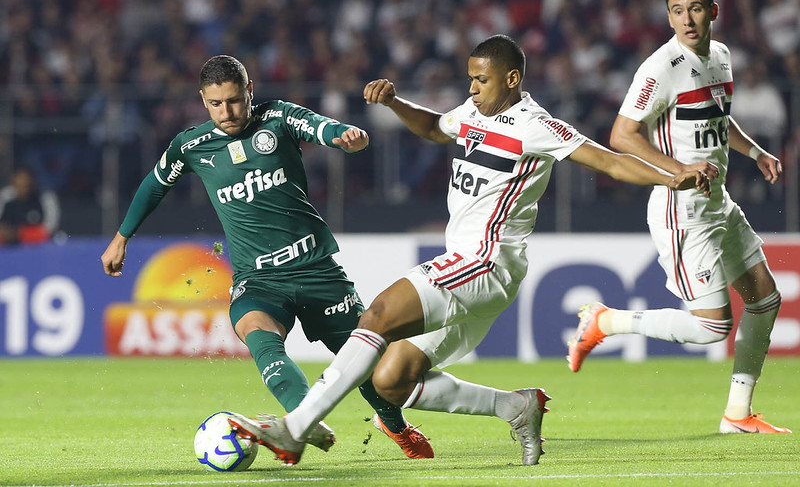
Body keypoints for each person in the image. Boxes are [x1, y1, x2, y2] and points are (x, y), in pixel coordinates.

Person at [227, 34, 710, 466]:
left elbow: (608, 162)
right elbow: (437, 128)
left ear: (513, 78)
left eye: (482, 79)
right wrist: (396, 103)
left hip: (485, 262)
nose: (473, 87)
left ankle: (295, 429)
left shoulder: (536, 125)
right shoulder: (473, 112)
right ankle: (515, 407)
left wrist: (675, 174)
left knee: (374, 317)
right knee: (392, 379)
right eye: (470, 79)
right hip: (472, 270)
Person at [100, 55, 434, 459]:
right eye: (216, 104)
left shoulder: (278, 118)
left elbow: (321, 126)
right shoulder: (190, 146)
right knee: (259, 336)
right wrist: (121, 237)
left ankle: (393, 423)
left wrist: (346, 135)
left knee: (369, 366)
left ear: (250, 92)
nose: (227, 112)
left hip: (316, 271)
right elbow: (154, 185)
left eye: (235, 101)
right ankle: (302, 420)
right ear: (203, 101)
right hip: (257, 281)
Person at [567, 0, 790, 435]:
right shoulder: (660, 67)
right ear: (668, 15)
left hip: (719, 203)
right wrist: (676, 170)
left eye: (694, 8)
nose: (686, 19)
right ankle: (607, 320)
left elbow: (717, 120)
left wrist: (755, 152)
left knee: (766, 300)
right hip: (681, 211)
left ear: (713, 11)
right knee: (711, 330)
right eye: (676, 10)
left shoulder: (722, 56)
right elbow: (621, 135)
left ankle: (738, 414)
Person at [0, 167, 60, 245]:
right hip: (9, 250)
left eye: (26, 184)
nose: (23, 187)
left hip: (38, 248)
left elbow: (49, 230)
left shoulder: (45, 198)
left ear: (32, 182)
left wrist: (20, 234)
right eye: (19, 185)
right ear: (13, 183)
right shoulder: (5, 197)